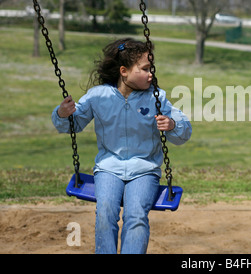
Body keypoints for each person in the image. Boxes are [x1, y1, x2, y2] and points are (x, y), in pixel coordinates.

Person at [52, 38, 192, 254]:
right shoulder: (99, 97)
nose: (150, 74)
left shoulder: (156, 97)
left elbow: (184, 131)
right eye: (145, 69)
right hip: (108, 168)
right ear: (124, 71)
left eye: (151, 68)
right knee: (105, 212)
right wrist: (63, 114)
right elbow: (74, 123)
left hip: (144, 169)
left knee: (135, 215)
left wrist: (172, 125)